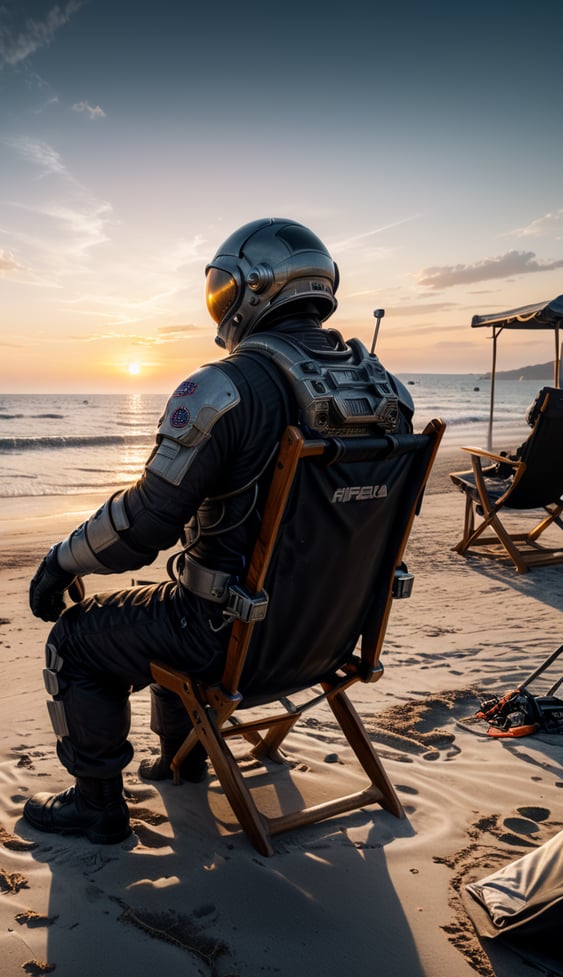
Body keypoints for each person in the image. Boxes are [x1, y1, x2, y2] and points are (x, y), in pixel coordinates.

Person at [23, 217, 415, 844]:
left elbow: (144, 527)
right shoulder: (389, 393)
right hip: (334, 640)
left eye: (220, 288)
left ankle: (97, 805)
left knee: (78, 639)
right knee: (183, 603)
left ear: (252, 289)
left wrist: (63, 561)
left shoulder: (225, 388)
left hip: (231, 644)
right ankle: (184, 759)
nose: (219, 303)